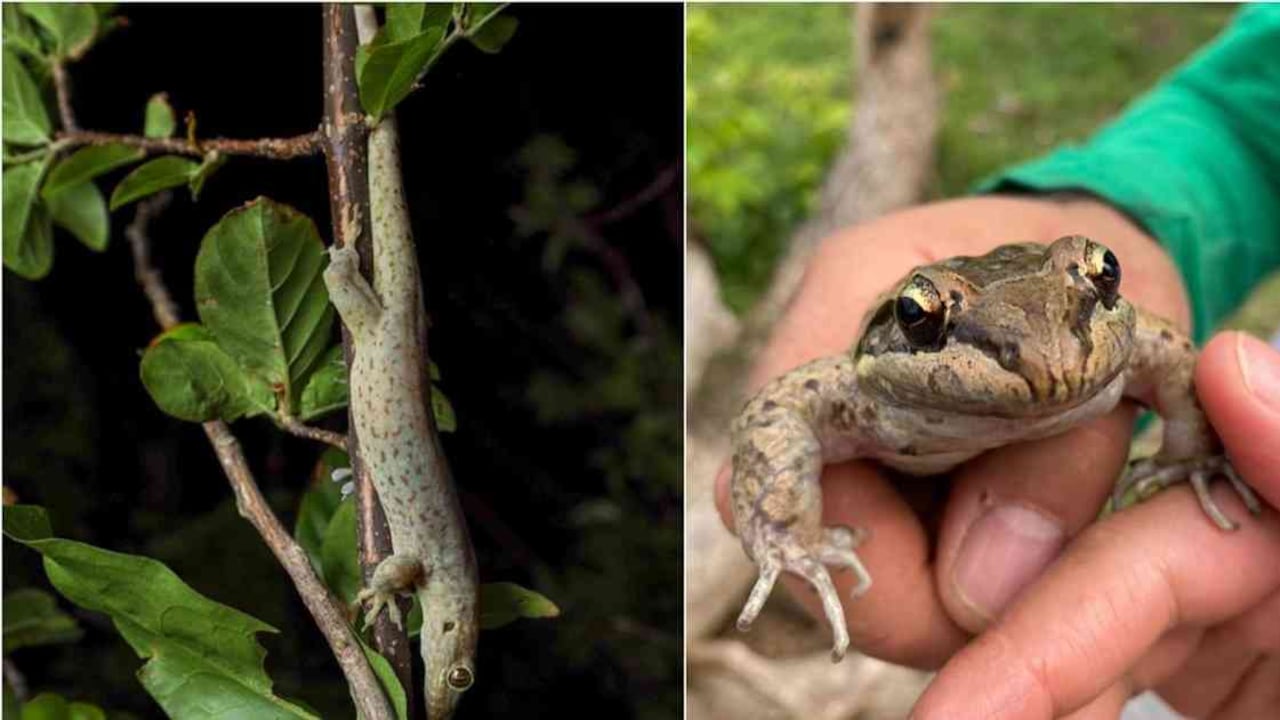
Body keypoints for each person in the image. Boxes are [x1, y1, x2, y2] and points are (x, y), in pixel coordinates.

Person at [715, 4, 1280, 717]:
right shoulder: (854, 394)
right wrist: (785, 533)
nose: (1044, 361)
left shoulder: (1129, 340)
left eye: (1098, 280)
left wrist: (1190, 453)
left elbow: (1171, 361)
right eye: (926, 315)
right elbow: (776, 410)